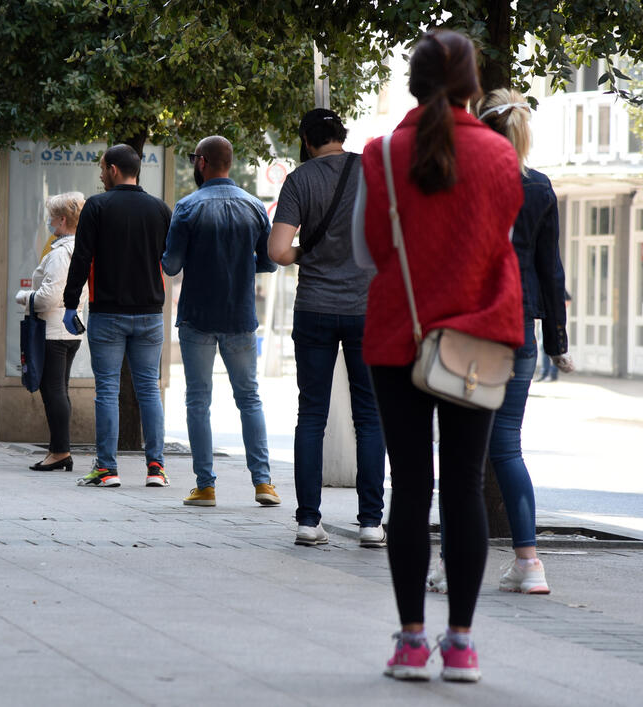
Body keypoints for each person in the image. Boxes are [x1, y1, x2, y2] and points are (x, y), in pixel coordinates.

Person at [352, 30, 525, 682]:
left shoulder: (383, 151)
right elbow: (498, 243)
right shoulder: (500, 156)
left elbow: (369, 252)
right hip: (476, 342)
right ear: (474, 85)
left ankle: (409, 640)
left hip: (399, 336)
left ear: (415, 84)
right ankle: (461, 644)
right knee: (462, 490)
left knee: (410, 489)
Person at [428, 89, 574, 596]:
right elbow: (549, 272)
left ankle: (448, 565)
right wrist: (558, 340)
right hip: (521, 332)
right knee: (507, 450)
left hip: (470, 329)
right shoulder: (540, 188)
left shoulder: (460, 182)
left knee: (460, 455)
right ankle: (530, 564)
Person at [266, 110, 387, 548]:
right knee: (370, 417)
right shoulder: (374, 173)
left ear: (305, 140)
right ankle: (372, 523)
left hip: (315, 308)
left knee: (311, 414)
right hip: (367, 310)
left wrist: (308, 255)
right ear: (342, 135)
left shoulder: (300, 180)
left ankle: (307, 521)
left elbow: (278, 251)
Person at [161, 136, 280, 507]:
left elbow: (171, 265)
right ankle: (263, 483)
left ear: (202, 162)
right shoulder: (254, 206)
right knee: (249, 398)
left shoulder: (187, 207)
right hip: (240, 315)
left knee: (198, 401)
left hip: (197, 316)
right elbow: (270, 261)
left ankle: (206, 486)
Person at [62, 144, 172, 488]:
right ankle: (156, 469)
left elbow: (81, 258)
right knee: (149, 391)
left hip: (108, 311)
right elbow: (169, 260)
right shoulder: (159, 209)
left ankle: (107, 469)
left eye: (101, 168)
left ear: (111, 169)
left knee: (107, 390)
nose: (100, 174)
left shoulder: (97, 206)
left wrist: (70, 304)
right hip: (151, 313)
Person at [15, 192, 87, 471]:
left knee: (53, 391)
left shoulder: (60, 254)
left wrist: (23, 296)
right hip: (70, 329)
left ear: (62, 219)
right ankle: (59, 450)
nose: (48, 221)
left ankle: (59, 451)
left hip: (53, 330)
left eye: (51, 216)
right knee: (60, 390)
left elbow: (47, 297)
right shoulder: (79, 249)